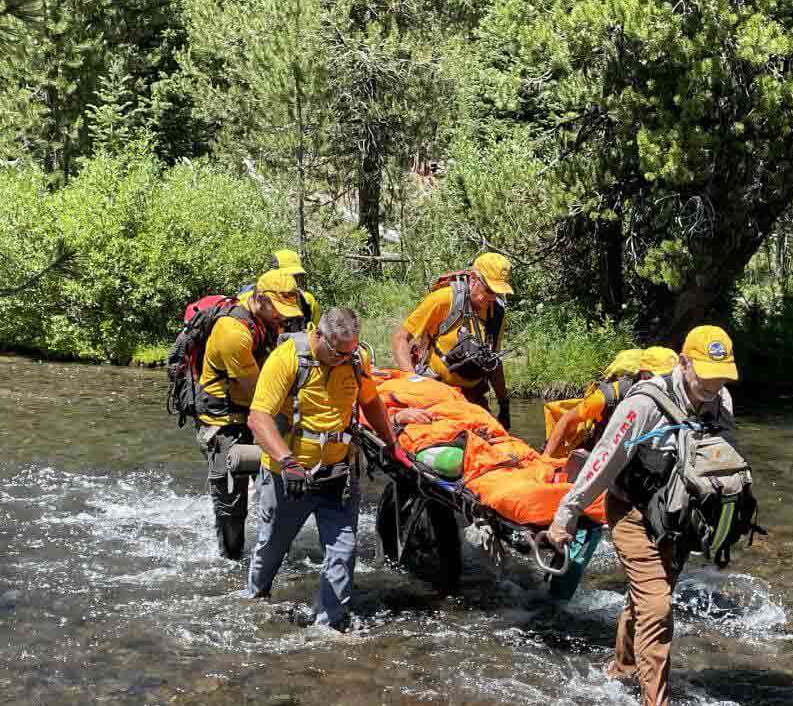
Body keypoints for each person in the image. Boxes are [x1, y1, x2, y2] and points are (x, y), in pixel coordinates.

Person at [546, 326, 739, 706]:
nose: (713, 385)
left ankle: (622, 669)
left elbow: (725, 459)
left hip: (678, 519)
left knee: (647, 599)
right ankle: (655, 700)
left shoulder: (721, 400)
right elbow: (603, 461)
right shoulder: (643, 404)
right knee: (658, 605)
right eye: (706, 375)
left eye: (721, 377)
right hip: (631, 513)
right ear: (684, 363)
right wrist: (565, 514)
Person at [246, 307, 395, 633]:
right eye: (338, 352)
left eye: (350, 352)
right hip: (288, 476)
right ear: (319, 336)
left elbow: (370, 402)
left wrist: (391, 444)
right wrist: (288, 462)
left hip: (338, 476)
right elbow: (258, 418)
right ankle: (256, 599)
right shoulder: (286, 359)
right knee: (272, 547)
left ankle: (329, 627)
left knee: (344, 551)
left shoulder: (356, 360)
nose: (344, 359)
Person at [195, 269, 303, 559]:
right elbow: (260, 392)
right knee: (232, 503)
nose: (282, 317)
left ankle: (270, 551)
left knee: (280, 481)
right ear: (258, 298)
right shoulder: (233, 333)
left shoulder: (266, 317)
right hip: (224, 423)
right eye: (277, 310)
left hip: (252, 411)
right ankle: (230, 560)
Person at [390, 252, 513, 427]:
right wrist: (412, 382)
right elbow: (400, 338)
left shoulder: (497, 314)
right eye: (489, 290)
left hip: (473, 395)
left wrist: (504, 403)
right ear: (473, 279)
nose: (492, 297)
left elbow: (494, 361)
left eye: (498, 293)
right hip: (435, 390)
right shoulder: (443, 300)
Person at [542, 346, 679, 464]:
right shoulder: (607, 397)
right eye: (665, 377)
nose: (670, 383)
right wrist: (546, 460)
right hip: (599, 451)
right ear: (644, 376)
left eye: (673, 377)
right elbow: (567, 420)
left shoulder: (676, 393)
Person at [240, 249, 320, 332]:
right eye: (287, 275)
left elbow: (315, 335)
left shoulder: (308, 301)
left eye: (297, 276)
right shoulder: (248, 300)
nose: (292, 281)